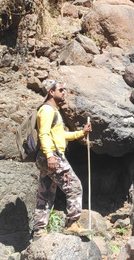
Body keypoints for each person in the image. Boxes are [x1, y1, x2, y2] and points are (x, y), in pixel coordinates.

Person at [33, 79, 92, 236]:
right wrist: (50, 156)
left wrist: (81, 133)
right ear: (51, 92)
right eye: (60, 90)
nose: (63, 92)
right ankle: (72, 223)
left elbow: (61, 135)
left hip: (48, 155)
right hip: (52, 155)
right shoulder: (47, 110)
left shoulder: (54, 111)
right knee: (74, 186)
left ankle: (39, 230)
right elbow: (43, 134)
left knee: (45, 193)